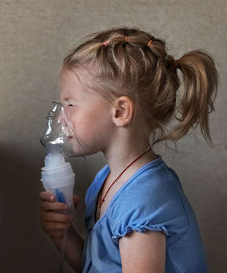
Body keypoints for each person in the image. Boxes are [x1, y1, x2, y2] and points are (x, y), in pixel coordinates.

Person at [39, 27, 218, 273]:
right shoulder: (107, 180)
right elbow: (97, 266)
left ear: (120, 112)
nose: (61, 119)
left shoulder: (143, 201)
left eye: (70, 104)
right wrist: (62, 234)